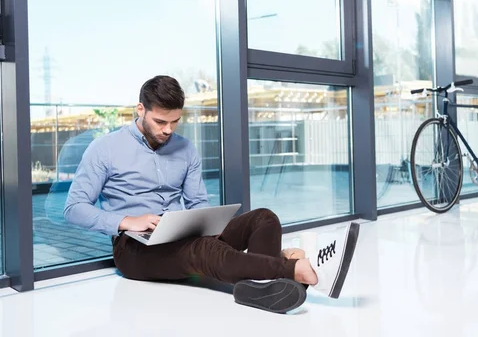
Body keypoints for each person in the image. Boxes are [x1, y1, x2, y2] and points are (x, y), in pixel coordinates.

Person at [64, 75, 360, 314]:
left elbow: (197, 203)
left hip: (181, 234)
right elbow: (74, 208)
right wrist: (128, 221)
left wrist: (205, 223)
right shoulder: (105, 148)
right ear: (140, 110)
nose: (168, 130)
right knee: (204, 252)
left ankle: (260, 289)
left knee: (264, 219)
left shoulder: (185, 148)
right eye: (160, 122)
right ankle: (297, 269)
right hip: (134, 249)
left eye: (175, 122)